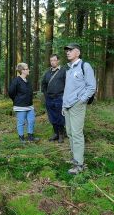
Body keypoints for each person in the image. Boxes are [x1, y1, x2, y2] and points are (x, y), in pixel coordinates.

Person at [62, 43, 96, 174]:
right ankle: (75, 158)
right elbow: (67, 89)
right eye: (67, 51)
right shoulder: (69, 69)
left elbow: (91, 86)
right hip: (67, 106)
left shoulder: (84, 66)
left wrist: (82, 100)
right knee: (70, 133)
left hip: (77, 105)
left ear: (78, 52)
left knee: (76, 134)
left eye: (70, 50)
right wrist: (63, 105)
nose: (68, 52)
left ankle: (79, 165)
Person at [9, 63, 39, 143]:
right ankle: (21, 138)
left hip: (30, 106)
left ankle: (30, 137)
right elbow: (11, 92)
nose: (29, 70)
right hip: (20, 106)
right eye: (27, 68)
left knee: (31, 121)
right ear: (22, 70)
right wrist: (17, 100)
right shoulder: (16, 81)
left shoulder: (27, 81)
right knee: (21, 122)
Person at [41, 54, 66, 143]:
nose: (52, 62)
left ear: (58, 61)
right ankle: (56, 134)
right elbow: (43, 84)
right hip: (49, 98)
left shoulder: (63, 71)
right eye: (51, 60)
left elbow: (68, 84)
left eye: (54, 60)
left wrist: (64, 96)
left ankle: (61, 135)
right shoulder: (48, 72)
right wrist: (45, 94)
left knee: (60, 117)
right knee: (52, 117)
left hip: (60, 97)